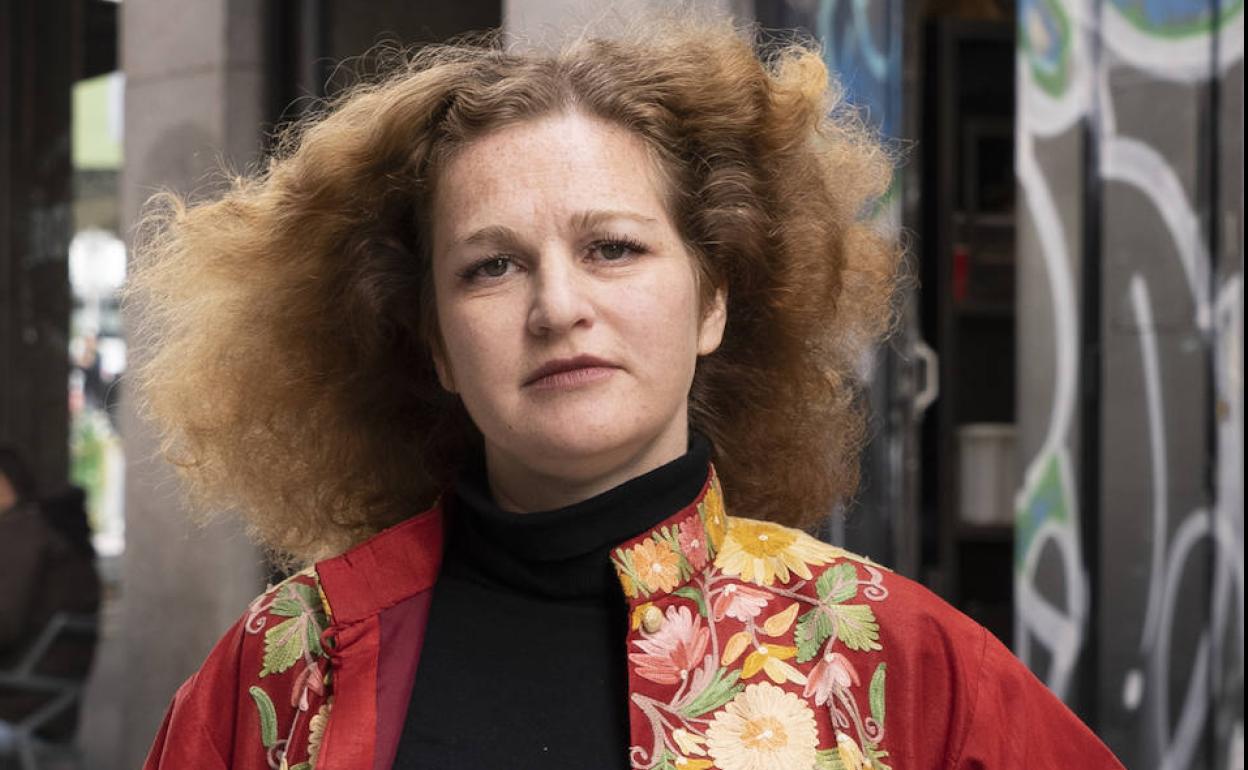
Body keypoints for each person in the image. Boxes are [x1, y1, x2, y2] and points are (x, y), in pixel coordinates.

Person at [130, 13, 1124, 770]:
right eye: (490, 266)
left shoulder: (898, 660)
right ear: (433, 343)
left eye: (612, 247)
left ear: (714, 299)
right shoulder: (287, 664)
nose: (558, 307)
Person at [0, 447, 101, 753]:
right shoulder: (47, 532)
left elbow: (5, 625)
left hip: (20, 703)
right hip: (47, 705)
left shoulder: (22, 533)